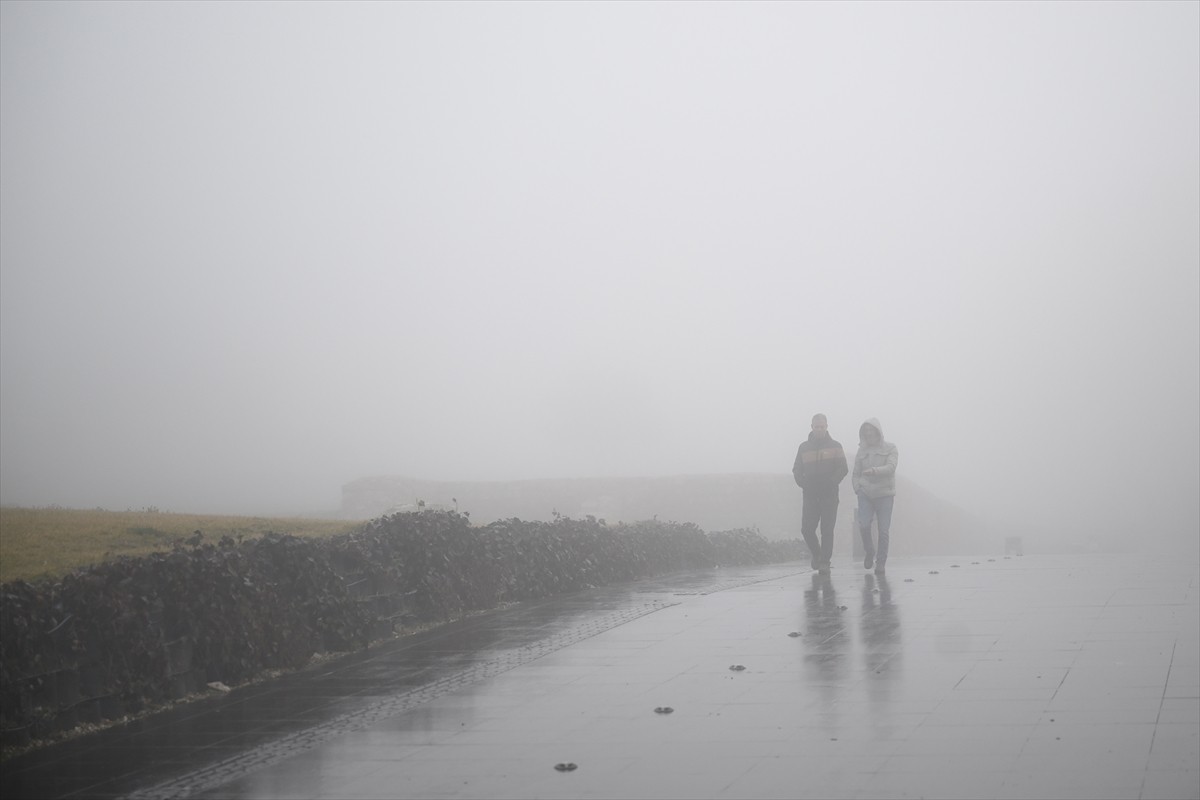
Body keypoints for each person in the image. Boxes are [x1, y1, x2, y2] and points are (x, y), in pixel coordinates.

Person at [792, 413, 849, 574]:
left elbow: (843, 468)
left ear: (826, 426)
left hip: (829, 494)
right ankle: (817, 555)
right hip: (810, 494)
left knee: (827, 529)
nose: (819, 429)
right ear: (811, 427)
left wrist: (831, 482)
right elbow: (796, 468)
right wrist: (803, 483)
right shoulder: (803, 447)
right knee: (807, 529)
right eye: (816, 426)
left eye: (822, 426)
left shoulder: (836, 446)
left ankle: (825, 561)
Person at [852, 418, 898, 575]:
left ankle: (881, 562)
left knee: (883, 530)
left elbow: (891, 467)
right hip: (865, 493)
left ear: (878, 432)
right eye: (866, 432)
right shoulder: (861, 451)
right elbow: (856, 473)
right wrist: (857, 488)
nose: (869, 434)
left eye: (872, 431)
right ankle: (869, 551)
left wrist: (875, 471)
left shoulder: (891, 448)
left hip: (885, 494)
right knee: (864, 525)